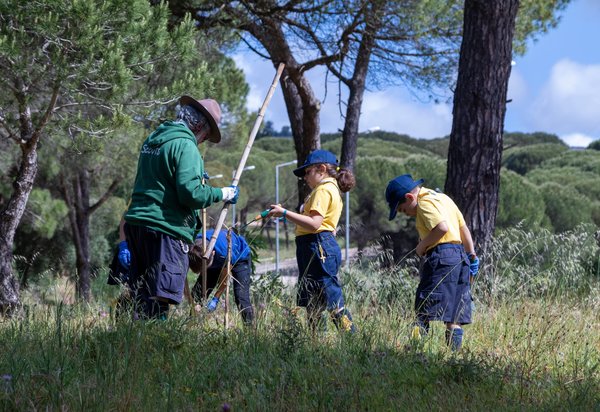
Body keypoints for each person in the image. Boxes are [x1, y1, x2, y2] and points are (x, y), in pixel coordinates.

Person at [123, 96, 239, 319]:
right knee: (159, 300)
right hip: (166, 230)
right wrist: (222, 193)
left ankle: (133, 347)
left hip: (138, 226)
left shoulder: (153, 140)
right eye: (205, 136)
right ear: (199, 126)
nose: (203, 141)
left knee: (141, 297)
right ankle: (154, 348)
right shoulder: (186, 145)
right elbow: (191, 194)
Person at [385, 174, 480, 350]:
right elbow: (462, 228)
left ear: (409, 197)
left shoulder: (425, 203)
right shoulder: (443, 198)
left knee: (423, 306)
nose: (405, 214)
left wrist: (421, 245)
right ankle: (454, 355)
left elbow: (442, 228)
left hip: (442, 256)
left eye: (403, 209)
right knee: (454, 314)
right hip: (461, 256)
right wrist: (472, 254)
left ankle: (413, 349)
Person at [268, 149, 356, 333]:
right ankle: (316, 342)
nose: (305, 177)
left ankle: (352, 337)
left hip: (317, 246)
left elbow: (315, 224)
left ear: (322, 169)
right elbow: (324, 224)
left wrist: (284, 212)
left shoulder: (323, 190)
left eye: (308, 172)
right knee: (313, 301)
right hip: (315, 246)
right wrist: (289, 217)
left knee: (332, 298)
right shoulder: (330, 190)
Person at [189, 229, 254, 326]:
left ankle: (250, 330)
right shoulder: (193, 247)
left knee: (241, 297)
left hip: (240, 257)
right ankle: (192, 326)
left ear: (213, 253)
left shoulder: (224, 252)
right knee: (197, 294)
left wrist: (215, 299)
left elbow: (225, 278)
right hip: (209, 258)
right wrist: (197, 303)